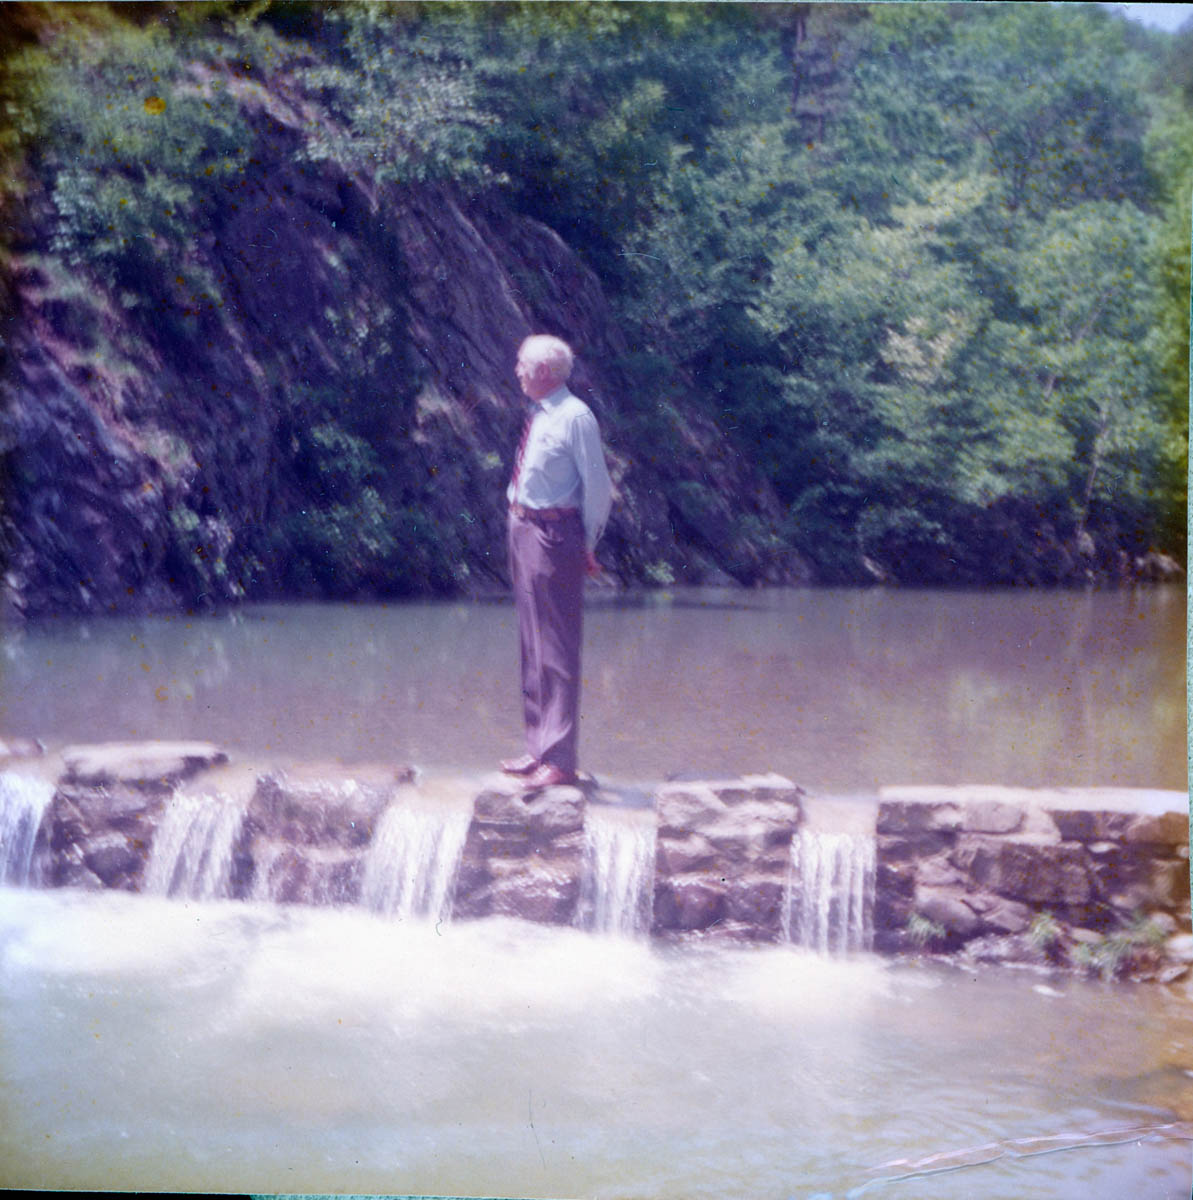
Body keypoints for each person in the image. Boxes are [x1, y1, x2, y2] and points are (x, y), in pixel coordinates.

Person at [500, 334, 613, 789]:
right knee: (532, 645)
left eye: (522, 365)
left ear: (544, 372)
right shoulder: (539, 413)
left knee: (557, 650)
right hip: (522, 527)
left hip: (554, 536)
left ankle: (560, 761)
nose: (517, 371)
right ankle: (538, 749)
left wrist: (589, 542)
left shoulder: (575, 417)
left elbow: (598, 488)